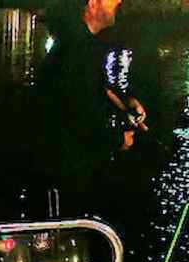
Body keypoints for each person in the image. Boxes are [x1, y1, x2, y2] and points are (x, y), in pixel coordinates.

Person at [34, 0, 147, 213]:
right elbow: (76, 117)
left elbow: (93, 92)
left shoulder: (78, 44)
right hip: (65, 177)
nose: (119, 1)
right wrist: (117, 140)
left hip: (68, 171)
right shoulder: (77, 52)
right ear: (93, 4)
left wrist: (127, 102)